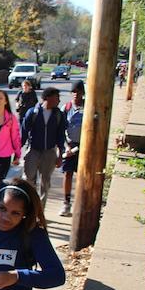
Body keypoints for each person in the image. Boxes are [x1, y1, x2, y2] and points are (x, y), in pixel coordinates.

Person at [21, 87, 67, 207]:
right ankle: (29, 206)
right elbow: (24, 132)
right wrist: (17, 152)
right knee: (29, 179)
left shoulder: (58, 115)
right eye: (56, 98)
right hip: (33, 151)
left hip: (49, 152)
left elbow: (60, 136)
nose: (58, 101)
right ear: (47, 98)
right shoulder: (33, 112)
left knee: (45, 182)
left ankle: (40, 209)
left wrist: (60, 155)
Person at [59, 80, 85, 216]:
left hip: (84, 146)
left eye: (78, 91)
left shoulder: (88, 106)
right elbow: (60, 130)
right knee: (67, 173)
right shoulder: (66, 108)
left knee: (82, 176)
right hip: (70, 145)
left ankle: (80, 203)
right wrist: (65, 146)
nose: (76, 94)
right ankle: (66, 202)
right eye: (74, 91)